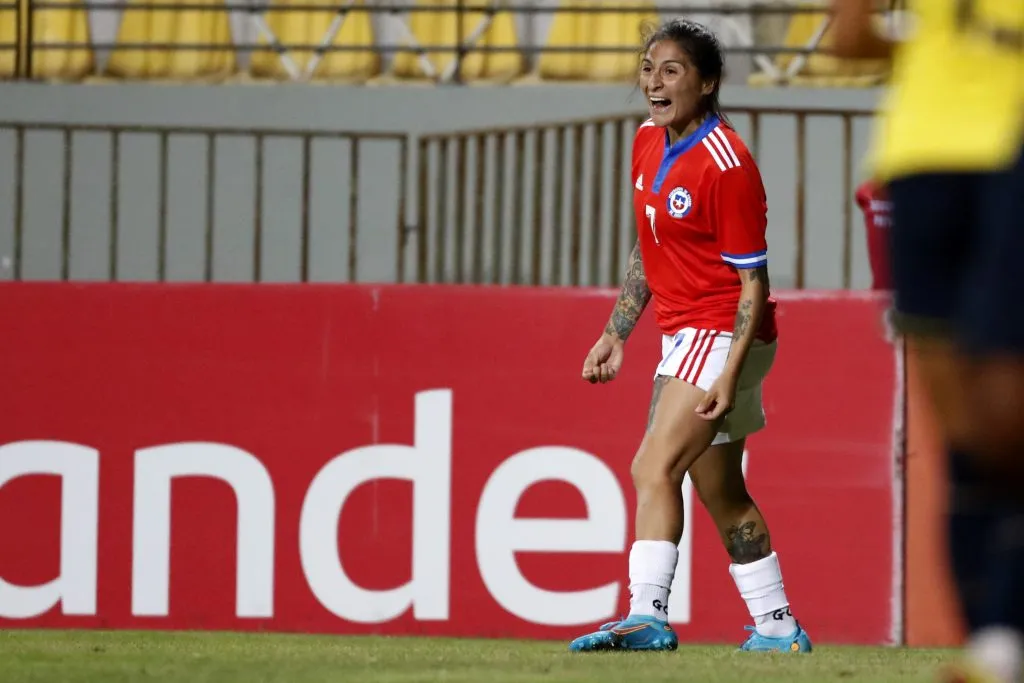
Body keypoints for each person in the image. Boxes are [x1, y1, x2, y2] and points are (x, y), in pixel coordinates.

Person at [568, 19, 812, 654]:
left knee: (652, 466)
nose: (654, 80)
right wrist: (616, 331)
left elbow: (752, 284)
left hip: (723, 329)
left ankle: (647, 616)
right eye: (648, 68)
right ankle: (779, 627)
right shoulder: (648, 140)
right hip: (690, 333)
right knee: (719, 488)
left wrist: (728, 375)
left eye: (671, 70)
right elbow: (651, 245)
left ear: (707, 83)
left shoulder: (726, 165)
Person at [832, 1, 1024, 681]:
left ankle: (1001, 639)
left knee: (1000, 423)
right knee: (967, 432)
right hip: (922, 157)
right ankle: (996, 647)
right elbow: (849, 39)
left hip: (992, 157)